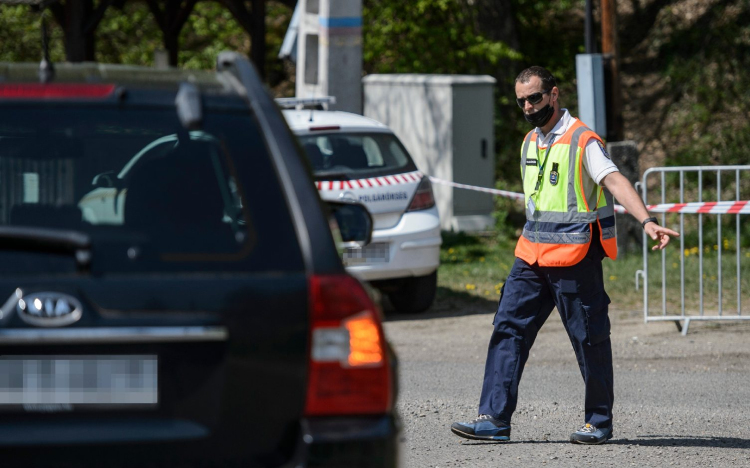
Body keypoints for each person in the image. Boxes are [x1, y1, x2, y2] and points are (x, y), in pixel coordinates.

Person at [450, 66, 679, 445]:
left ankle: (598, 421)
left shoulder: (582, 139)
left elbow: (614, 179)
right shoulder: (530, 142)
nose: (528, 106)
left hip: (575, 256)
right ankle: (493, 419)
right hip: (531, 256)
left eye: (535, 98)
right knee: (508, 329)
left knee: (589, 338)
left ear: (554, 96)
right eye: (521, 100)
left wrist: (647, 220)